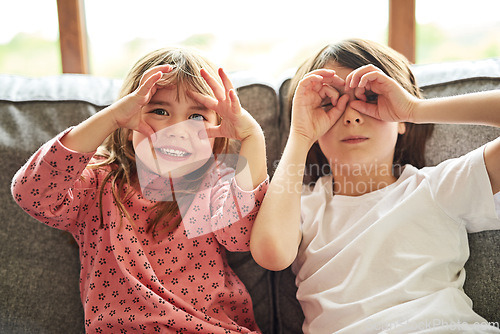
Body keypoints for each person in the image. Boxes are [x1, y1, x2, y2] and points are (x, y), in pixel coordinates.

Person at [250, 38, 500, 333]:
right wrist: (301, 134)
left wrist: (413, 109)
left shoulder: (438, 187)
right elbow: (271, 253)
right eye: (330, 103)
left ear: (401, 122)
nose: (352, 116)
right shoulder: (302, 205)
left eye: (369, 99)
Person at [11, 47, 268, 333]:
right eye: (160, 111)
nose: (177, 130)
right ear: (127, 117)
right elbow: (32, 193)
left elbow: (240, 236)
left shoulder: (215, 183)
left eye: (197, 117)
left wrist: (252, 136)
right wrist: (110, 119)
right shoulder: (98, 182)